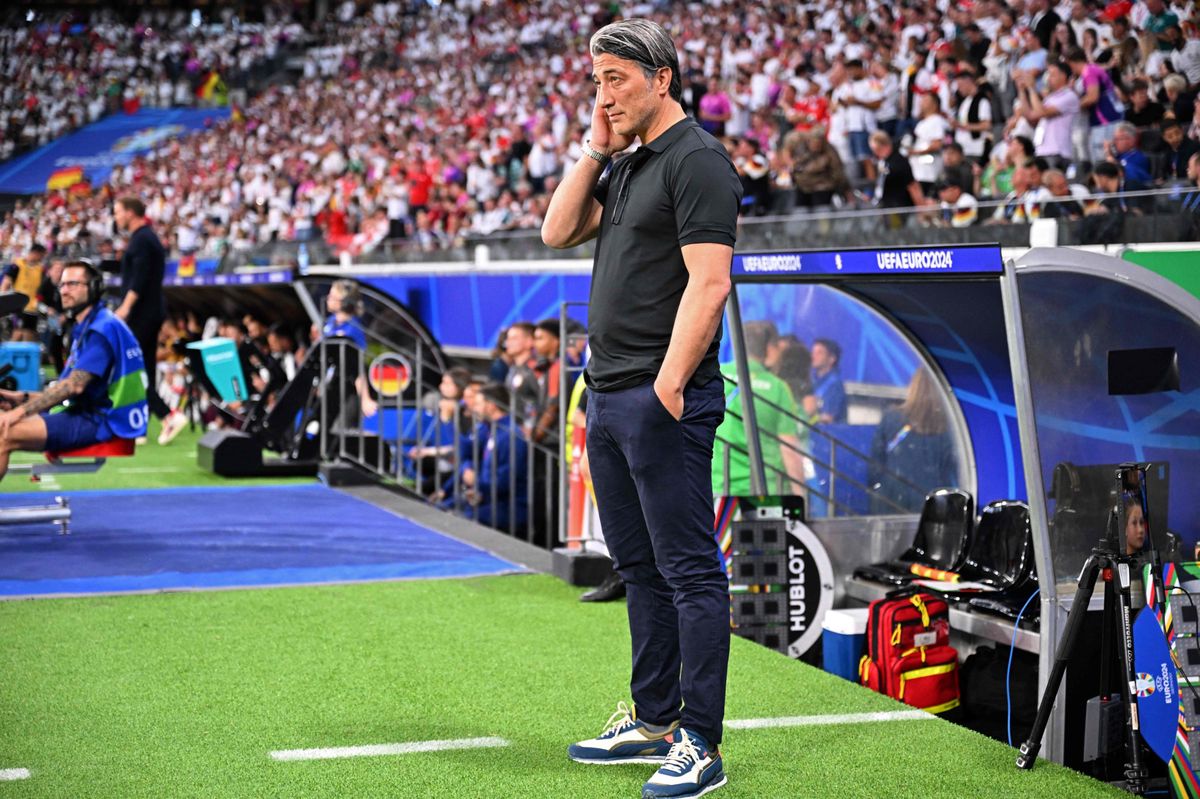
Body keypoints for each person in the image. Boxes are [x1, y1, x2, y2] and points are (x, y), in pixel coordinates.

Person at [541, 18, 739, 799]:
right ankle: (654, 718)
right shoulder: (623, 165)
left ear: (662, 78)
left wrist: (668, 382)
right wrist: (595, 143)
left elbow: (710, 282)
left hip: (662, 397)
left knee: (690, 568)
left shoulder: (697, 160)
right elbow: (557, 228)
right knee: (638, 566)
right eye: (596, 81)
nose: (605, 93)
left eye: (617, 79)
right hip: (609, 392)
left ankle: (702, 741)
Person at [0, 260, 148, 480]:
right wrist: (17, 397)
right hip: (85, 413)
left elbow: (73, 386)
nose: (64, 290)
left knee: (3, 433)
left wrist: (18, 412)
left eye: (72, 284)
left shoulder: (102, 328)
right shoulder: (87, 326)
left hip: (100, 421)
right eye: (62, 285)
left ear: (94, 288)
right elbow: (63, 390)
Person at [112, 197, 180, 445]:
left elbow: (138, 279)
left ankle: (166, 415)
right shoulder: (145, 237)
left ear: (130, 213)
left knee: (134, 369)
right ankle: (140, 424)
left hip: (141, 314)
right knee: (144, 368)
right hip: (149, 312)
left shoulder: (141, 239)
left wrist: (125, 308)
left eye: (118, 211)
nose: (115, 217)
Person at [712, 321, 805, 497]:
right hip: (765, 492)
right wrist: (801, 495)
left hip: (718, 487)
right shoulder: (778, 388)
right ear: (770, 349)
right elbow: (788, 448)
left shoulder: (718, 375)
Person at [868, 369, 958, 513]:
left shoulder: (892, 418)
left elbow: (874, 466)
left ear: (913, 387)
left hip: (891, 501)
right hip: (934, 505)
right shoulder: (950, 428)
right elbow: (955, 471)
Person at [0, 243, 46, 342]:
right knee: (18, 333)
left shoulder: (40, 269)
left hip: (32, 307)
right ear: (35, 253)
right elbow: (6, 281)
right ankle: (8, 356)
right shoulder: (17, 265)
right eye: (41, 255)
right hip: (18, 306)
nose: (41, 258)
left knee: (29, 334)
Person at [806, 338, 847, 424]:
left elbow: (828, 418)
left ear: (831, 359)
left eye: (819, 353)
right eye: (813, 352)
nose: (813, 356)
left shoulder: (834, 385)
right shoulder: (811, 381)